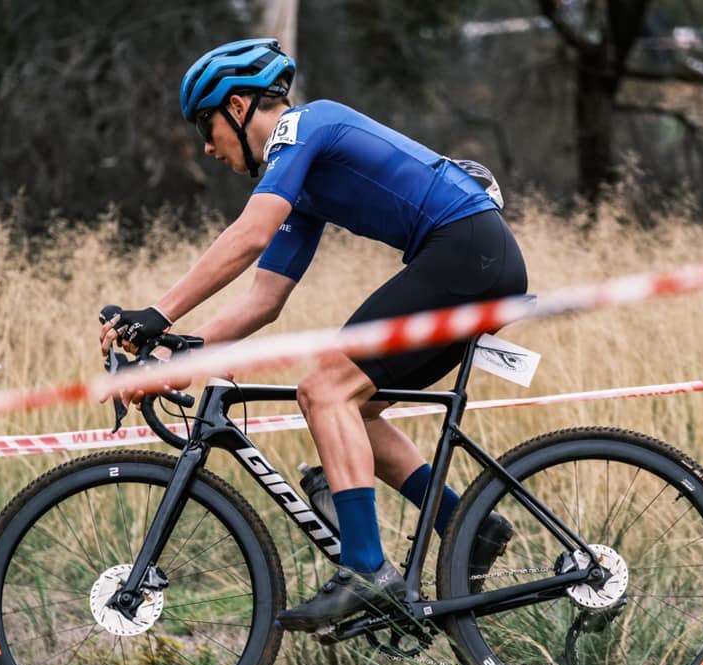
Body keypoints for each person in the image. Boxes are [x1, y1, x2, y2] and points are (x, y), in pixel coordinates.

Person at [100, 38, 528, 632]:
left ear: (238, 106)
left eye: (206, 125)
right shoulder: (301, 187)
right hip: (474, 262)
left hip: (466, 252)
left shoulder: (307, 126)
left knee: (324, 389)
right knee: (357, 407)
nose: (207, 146)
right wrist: (176, 354)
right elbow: (263, 301)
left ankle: (367, 571)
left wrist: (159, 313)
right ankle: (466, 525)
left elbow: (250, 235)